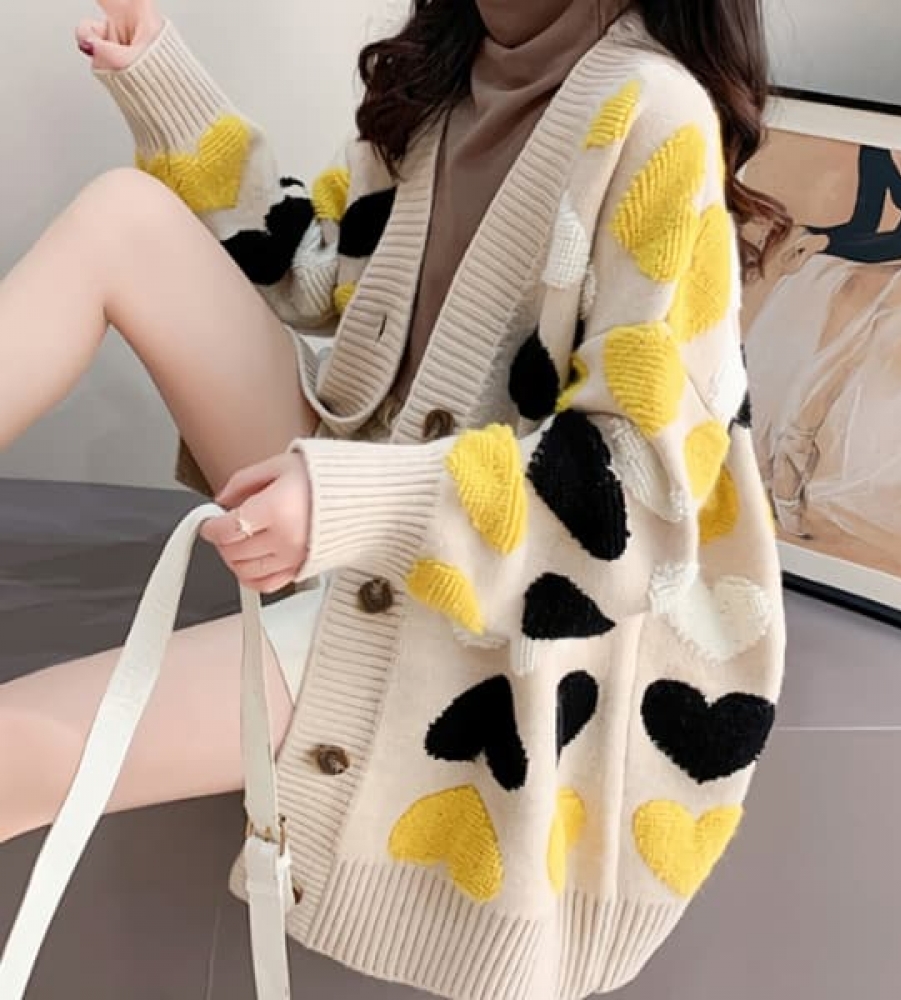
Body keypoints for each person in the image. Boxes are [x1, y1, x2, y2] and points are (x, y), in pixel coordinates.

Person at [0, 2, 788, 997]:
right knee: (122, 217)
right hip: (364, 499)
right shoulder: (446, 80)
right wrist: (161, 75)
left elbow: (628, 497)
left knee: (15, 749)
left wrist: (350, 501)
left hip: (493, 606)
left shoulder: (653, 112)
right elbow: (320, 273)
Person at [746, 143, 901, 589]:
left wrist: (823, 242)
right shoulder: (879, 150)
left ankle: (796, 444)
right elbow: (865, 225)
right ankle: (790, 444)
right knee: (820, 280)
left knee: (873, 307)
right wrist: (811, 235)